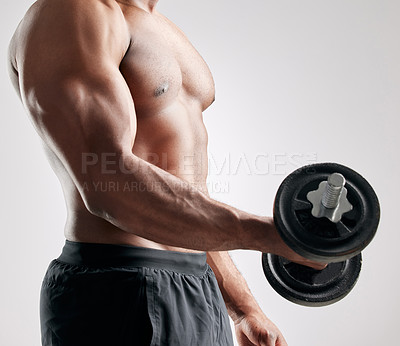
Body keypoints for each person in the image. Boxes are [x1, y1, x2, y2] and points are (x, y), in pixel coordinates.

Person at [8, 0, 325, 345]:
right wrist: (271, 236)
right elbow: (107, 182)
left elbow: (188, 193)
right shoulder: (72, 13)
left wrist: (244, 309)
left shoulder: (160, 26)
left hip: (198, 287)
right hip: (116, 283)